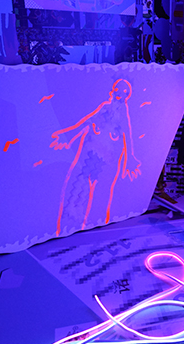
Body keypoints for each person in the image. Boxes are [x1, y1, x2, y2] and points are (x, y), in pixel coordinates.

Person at [50, 79, 141, 235]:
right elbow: (86, 122)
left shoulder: (123, 115)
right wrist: (67, 136)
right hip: (90, 154)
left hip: (107, 159)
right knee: (79, 185)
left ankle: (92, 225)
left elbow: (127, 135)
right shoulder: (105, 108)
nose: (120, 94)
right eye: (118, 90)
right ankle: (69, 222)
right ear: (112, 91)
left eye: (124, 92)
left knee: (99, 191)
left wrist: (130, 159)